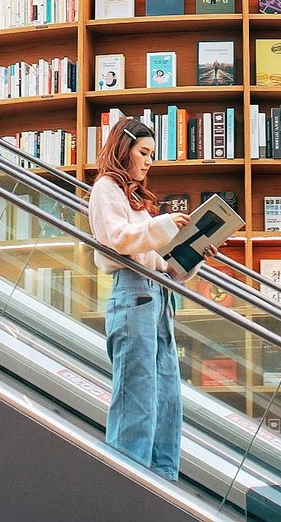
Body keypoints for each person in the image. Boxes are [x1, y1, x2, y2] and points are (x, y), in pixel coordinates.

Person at [88, 117, 192, 480]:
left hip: (156, 296)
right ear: (124, 149)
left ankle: (162, 480)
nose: (149, 162)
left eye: (152, 155)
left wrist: (191, 255)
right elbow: (117, 239)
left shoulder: (135, 198)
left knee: (165, 395)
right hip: (132, 293)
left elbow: (158, 261)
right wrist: (162, 224)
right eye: (143, 152)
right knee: (137, 394)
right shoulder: (106, 188)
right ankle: (129, 483)